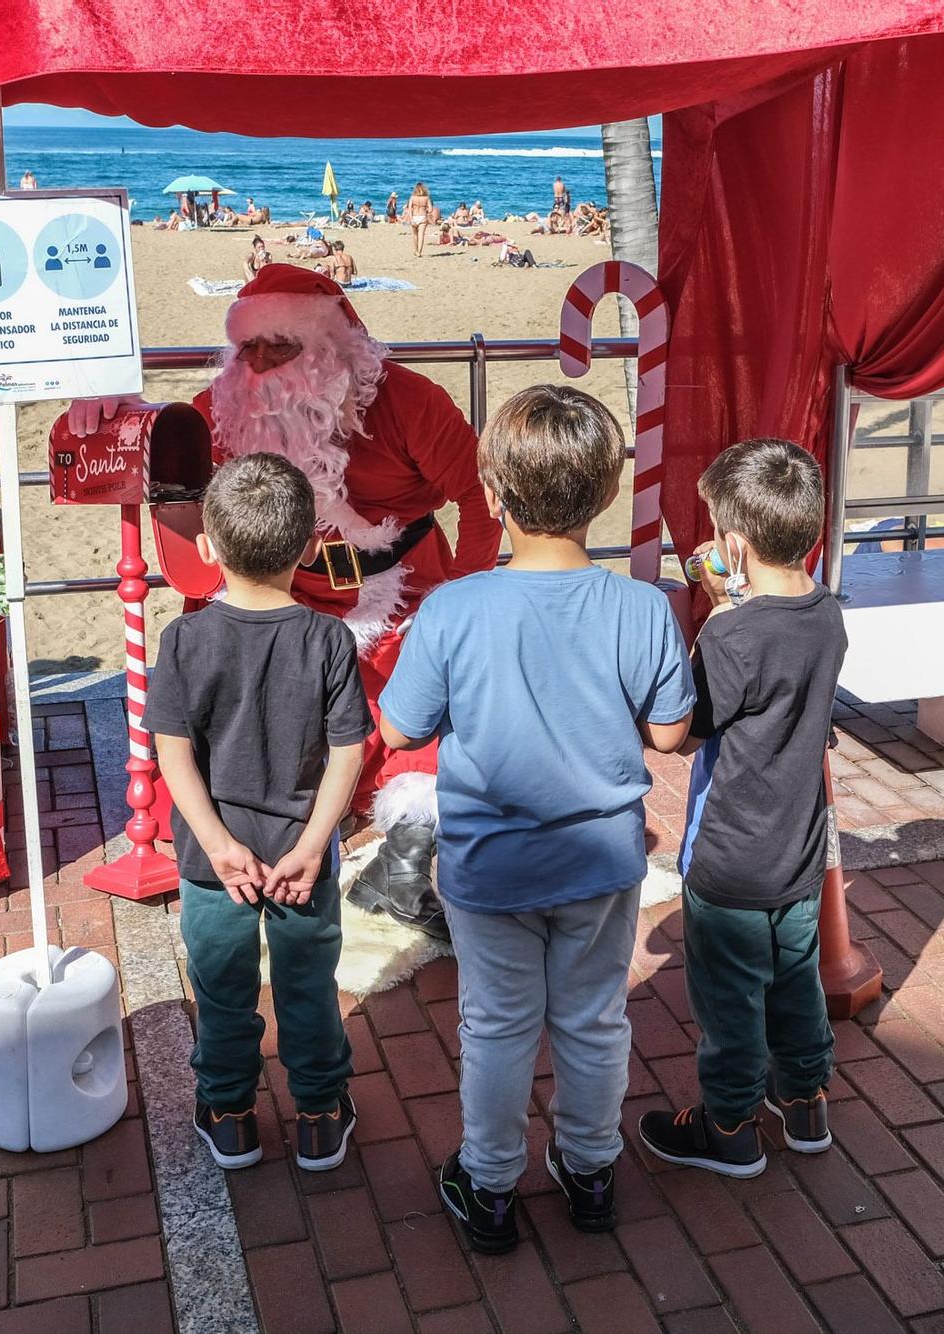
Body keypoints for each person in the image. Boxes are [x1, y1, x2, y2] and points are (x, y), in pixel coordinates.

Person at [69, 264, 501, 933]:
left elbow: (480, 500)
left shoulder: (412, 401)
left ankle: (408, 846)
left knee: (428, 712)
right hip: (280, 593)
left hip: (400, 597)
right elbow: (164, 464)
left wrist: (462, 601)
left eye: (284, 347)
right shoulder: (224, 403)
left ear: (333, 347)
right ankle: (248, 824)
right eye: (250, 349)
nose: (264, 365)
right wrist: (103, 408)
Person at [378, 383, 694, 1254]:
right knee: (593, 1019)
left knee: (497, 1023)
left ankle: (488, 1184)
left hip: (490, 868)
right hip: (600, 860)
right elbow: (670, 733)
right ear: (602, 494)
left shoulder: (452, 610)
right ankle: (590, 1170)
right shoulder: (642, 606)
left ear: (492, 496)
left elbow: (399, 726)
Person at [145, 452, 374, 1174]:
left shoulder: (184, 639)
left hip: (214, 863)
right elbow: (348, 753)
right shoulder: (330, 640)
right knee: (308, 986)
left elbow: (172, 753)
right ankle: (318, 1114)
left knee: (222, 988)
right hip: (300, 857)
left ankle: (230, 1111)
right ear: (309, 547)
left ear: (208, 547)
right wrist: (315, 843)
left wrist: (214, 842)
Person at [636, 439, 847, 1180]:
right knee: (795, 982)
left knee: (730, 1005)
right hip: (797, 853)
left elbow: (687, 735)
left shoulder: (729, 634)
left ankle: (727, 1125)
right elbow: (777, 644)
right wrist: (735, 592)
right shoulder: (827, 615)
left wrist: (715, 613)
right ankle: (806, 1100)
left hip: (728, 858)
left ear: (732, 543)